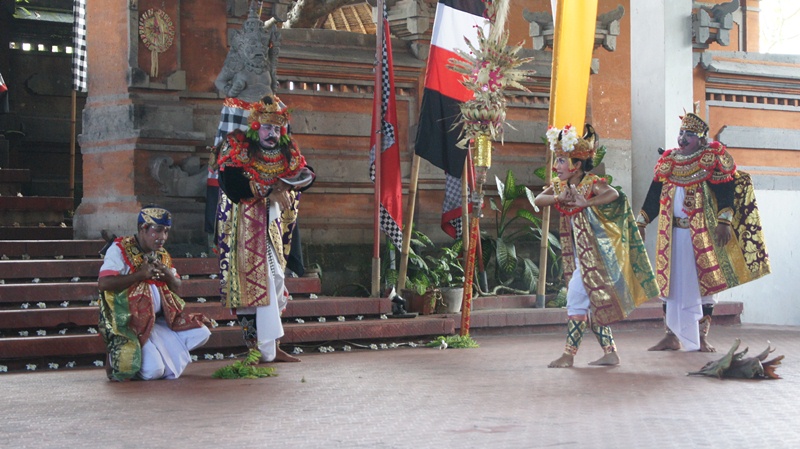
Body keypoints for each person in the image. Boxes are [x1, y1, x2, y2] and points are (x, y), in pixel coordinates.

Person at [637, 106, 770, 352]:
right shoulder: (669, 161)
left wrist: (724, 222)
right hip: (671, 236)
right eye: (681, 132)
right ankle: (671, 336)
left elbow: (725, 191)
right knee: (669, 286)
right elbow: (654, 194)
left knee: (706, 285)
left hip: (702, 236)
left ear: (700, 138)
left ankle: (702, 337)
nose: (682, 138)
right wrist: (642, 222)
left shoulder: (711, 159)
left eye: (689, 134)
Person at [536, 124, 658, 368]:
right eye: (557, 160)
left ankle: (569, 356)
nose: (556, 166)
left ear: (576, 164)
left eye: (561, 161)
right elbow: (539, 200)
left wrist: (586, 203)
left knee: (575, 298)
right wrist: (558, 198)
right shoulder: (560, 186)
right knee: (587, 301)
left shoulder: (592, 183)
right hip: (579, 254)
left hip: (596, 255)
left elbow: (615, 195)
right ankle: (610, 353)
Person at [216, 94, 315, 363]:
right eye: (267, 127)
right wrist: (266, 192)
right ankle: (253, 347)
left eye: (276, 128)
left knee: (278, 281)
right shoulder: (236, 145)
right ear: (255, 126)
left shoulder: (285, 149)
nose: (272, 133)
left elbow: (305, 172)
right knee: (252, 288)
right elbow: (230, 182)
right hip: (243, 226)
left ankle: (273, 345)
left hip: (273, 226)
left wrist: (285, 186)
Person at [98, 206, 214, 381]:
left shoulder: (162, 255)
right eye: (158, 231)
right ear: (143, 228)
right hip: (133, 326)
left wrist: (167, 275)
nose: (163, 237)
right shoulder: (120, 248)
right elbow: (103, 283)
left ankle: (159, 353)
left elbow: (177, 286)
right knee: (154, 372)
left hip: (161, 322)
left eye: (166, 232)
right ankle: (122, 357)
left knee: (203, 332)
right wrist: (140, 275)